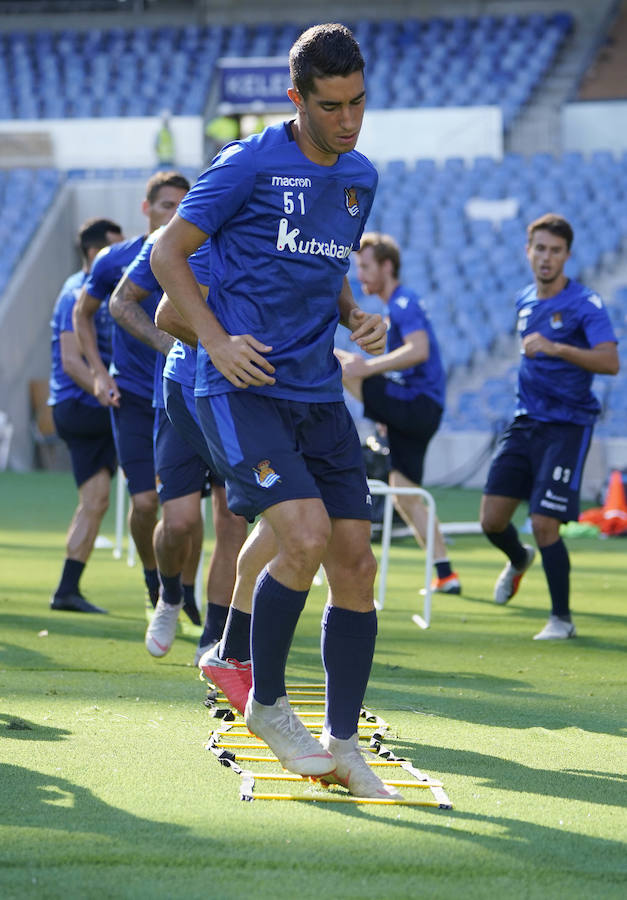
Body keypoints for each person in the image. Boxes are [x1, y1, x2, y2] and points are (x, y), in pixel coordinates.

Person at [151, 24, 400, 799]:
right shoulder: (249, 162)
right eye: (332, 106)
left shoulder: (360, 177)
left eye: (358, 101)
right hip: (240, 388)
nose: (349, 120)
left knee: (356, 563)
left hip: (317, 390)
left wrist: (355, 312)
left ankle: (344, 740)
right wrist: (218, 341)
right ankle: (264, 700)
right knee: (302, 535)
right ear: (297, 98)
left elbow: (322, 268)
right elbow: (165, 254)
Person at [480, 213, 619, 640]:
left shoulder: (585, 304)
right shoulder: (525, 300)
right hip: (526, 422)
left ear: (567, 256)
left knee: (544, 523)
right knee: (491, 521)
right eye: (539, 248)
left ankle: (562, 618)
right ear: (528, 251)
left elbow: (610, 361)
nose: (546, 257)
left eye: (555, 251)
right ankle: (519, 559)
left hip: (567, 426)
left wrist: (557, 348)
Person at [110, 232, 248, 658]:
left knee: (232, 522)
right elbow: (131, 304)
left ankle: (215, 636)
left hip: (240, 399)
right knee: (180, 523)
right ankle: (170, 596)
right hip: (183, 395)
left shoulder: (265, 236)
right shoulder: (177, 240)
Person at [73, 171, 190, 612]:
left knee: (186, 515)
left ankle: (186, 594)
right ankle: (153, 579)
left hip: (183, 393)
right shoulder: (113, 260)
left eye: (183, 205)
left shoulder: (198, 253)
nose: (175, 214)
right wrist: (99, 374)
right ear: (146, 209)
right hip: (135, 395)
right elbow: (83, 315)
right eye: (166, 206)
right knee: (145, 502)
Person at [337, 232, 462, 594]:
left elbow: (419, 349)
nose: (359, 275)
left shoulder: (404, 301)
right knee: (405, 492)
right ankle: (446, 574)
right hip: (416, 407)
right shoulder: (397, 306)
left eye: (364, 266)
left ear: (387, 266)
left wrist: (368, 368)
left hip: (417, 403)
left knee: (340, 364)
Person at [48, 217, 123, 613]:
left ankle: (67, 589)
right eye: (114, 249)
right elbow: (70, 359)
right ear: (95, 253)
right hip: (85, 407)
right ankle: (165, 590)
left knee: (95, 500)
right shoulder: (76, 293)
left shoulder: (95, 288)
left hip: (95, 404)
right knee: (158, 486)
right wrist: (104, 386)